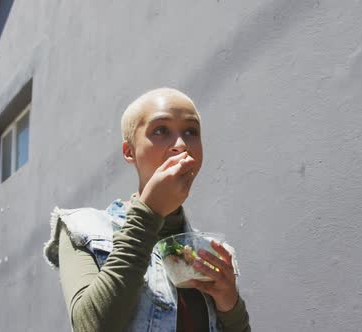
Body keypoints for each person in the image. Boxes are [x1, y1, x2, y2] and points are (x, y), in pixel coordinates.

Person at [43, 88, 251, 331]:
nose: (182, 145)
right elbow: (90, 327)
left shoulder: (212, 250)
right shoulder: (83, 229)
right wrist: (149, 212)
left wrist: (231, 306)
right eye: (161, 130)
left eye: (191, 131)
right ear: (129, 152)